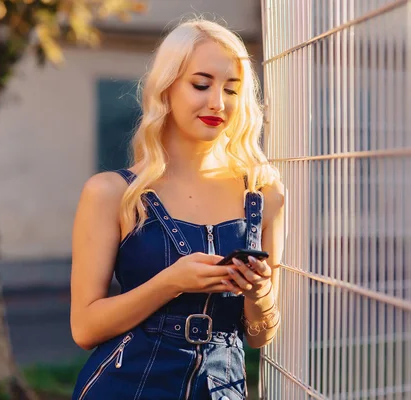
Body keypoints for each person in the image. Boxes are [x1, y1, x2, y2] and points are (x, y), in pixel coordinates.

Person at [69, 17, 285, 400]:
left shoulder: (265, 195)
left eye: (231, 90)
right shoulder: (111, 193)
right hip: (126, 387)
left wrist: (258, 292)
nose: (217, 102)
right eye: (201, 84)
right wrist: (170, 283)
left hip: (223, 390)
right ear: (166, 89)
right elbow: (85, 328)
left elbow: (260, 336)